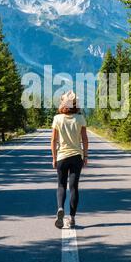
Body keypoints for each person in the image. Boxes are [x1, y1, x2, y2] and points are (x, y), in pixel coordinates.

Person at [51, 90, 88, 229]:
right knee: (73, 187)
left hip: (62, 157)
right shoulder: (80, 119)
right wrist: (86, 155)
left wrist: (54, 157)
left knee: (61, 185)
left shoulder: (57, 119)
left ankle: (60, 208)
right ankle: (72, 218)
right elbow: (84, 139)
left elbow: (54, 140)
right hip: (76, 156)